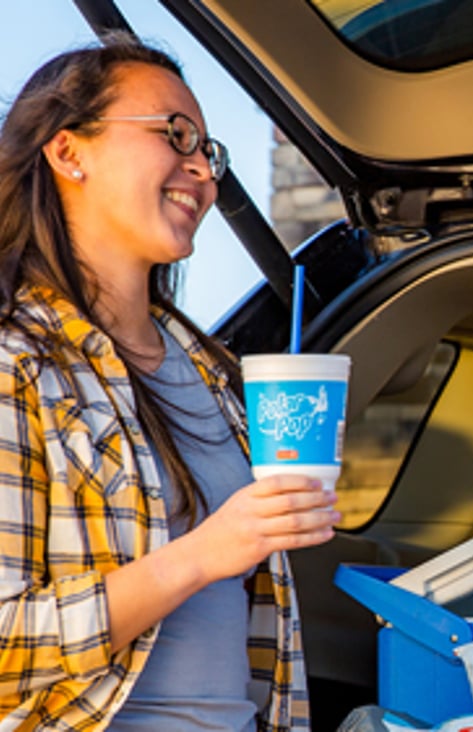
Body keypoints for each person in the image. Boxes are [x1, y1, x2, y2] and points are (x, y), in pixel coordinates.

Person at [0, 37, 338, 730]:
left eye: (209, 152)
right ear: (69, 153)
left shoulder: (213, 373)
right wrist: (203, 554)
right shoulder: (17, 363)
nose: (202, 172)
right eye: (176, 134)